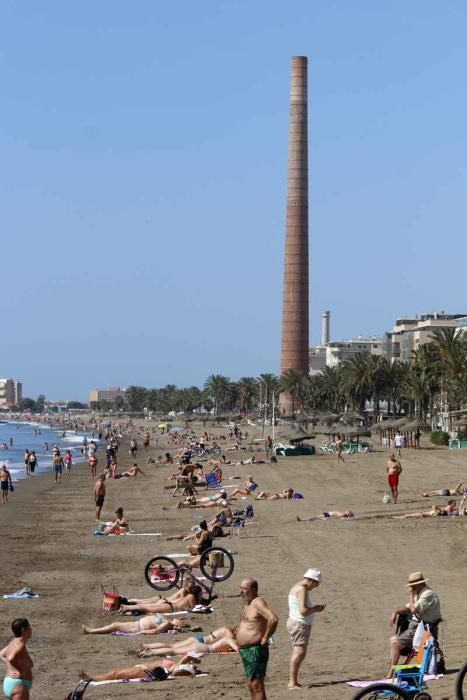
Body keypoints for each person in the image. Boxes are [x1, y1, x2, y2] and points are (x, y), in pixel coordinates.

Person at [385, 571, 441, 677]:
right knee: (393, 640)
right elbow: (408, 607)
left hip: (424, 627)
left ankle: (390, 673)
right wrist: (395, 612)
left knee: (395, 643)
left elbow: (413, 609)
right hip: (417, 625)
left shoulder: (428, 594)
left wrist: (410, 595)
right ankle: (403, 666)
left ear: (417, 585)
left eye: (412, 586)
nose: (411, 588)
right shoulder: (420, 593)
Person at [236, 578, 278, 700]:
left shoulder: (257, 602)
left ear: (254, 589)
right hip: (246, 651)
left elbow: (273, 619)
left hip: (255, 651)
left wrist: (266, 637)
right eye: (240, 588)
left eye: (244, 589)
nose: (241, 591)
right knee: (252, 685)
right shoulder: (248, 604)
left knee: (257, 686)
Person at [287, 569, 326, 689]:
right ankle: (292, 682)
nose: (315, 587)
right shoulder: (302, 589)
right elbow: (303, 611)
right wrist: (316, 609)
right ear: (311, 580)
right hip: (299, 624)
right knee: (299, 652)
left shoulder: (296, 586)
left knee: (299, 651)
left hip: (296, 623)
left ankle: (293, 681)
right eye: (316, 584)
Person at [78, 652, 205, 683]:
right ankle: (92, 678)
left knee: (115, 674)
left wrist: (192, 660)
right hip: (142, 668)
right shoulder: (179, 665)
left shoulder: (178, 670)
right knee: (116, 673)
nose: (192, 665)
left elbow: (184, 660)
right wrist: (193, 659)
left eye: (193, 667)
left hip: (145, 671)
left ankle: (92, 679)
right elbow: (187, 657)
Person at [136, 626, 239, 657]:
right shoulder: (229, 635)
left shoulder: (225, 629)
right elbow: (230, 642)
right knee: (173, 650)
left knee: (172, 646)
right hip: (204, 645)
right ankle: (151, 652)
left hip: (200, 640)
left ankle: (147, 646)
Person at [0, 618, 33, 699]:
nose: (31, 629)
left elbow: (1, 654)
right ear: (23, 630)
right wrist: (19, 671)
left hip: (13, 683)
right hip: (18, 686)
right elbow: (11, 658)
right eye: (29, 627)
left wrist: (12, 666)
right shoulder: (20, 645)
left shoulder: (13, 642)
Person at [119, 585, 203, 615]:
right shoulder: (191, 597)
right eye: (201, 594)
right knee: (146, 608)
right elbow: (193, 608)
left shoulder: (189, 595)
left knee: (146, 607)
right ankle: (127, 607)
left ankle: (127, 607)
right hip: (169, 607)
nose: (201, 595)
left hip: (168, 605)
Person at [82, 614, 186, 635]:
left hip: (138, 627)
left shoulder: (167, 623)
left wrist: (142, 632)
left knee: (114, 625)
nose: (178, 619)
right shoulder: (166, 619)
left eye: (180, 621)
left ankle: (91, 631)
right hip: (137, 623)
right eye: (180, 619)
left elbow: (156, 631)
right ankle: (92, 630)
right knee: (115, 625)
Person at [393, 501, 458, 518]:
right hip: (423, 514)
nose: (455, 504)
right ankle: (396, 517)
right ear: (451, 504)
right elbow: (434, 506)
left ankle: (397, 517)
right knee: (407, 516)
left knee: (407, 516)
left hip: (425, 514)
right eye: (454, 503)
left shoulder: (448, 509)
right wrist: (436, 512)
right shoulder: (448, 508)